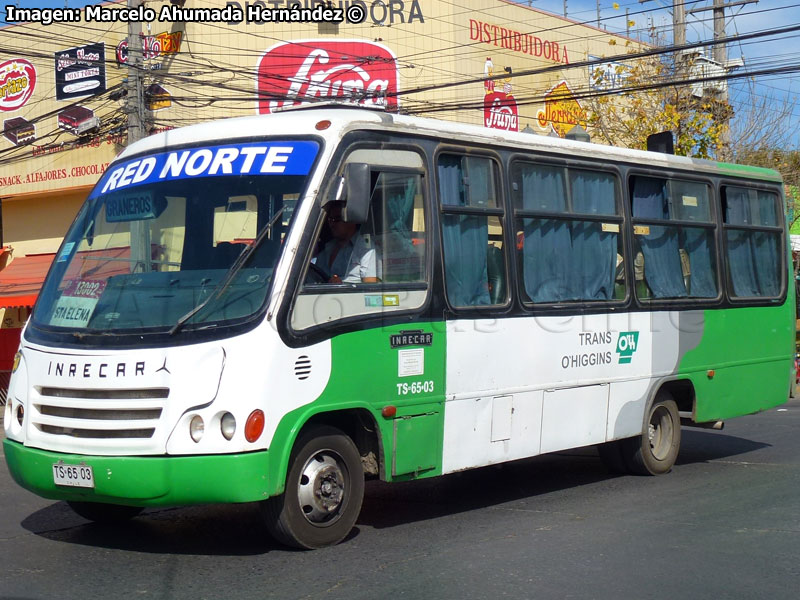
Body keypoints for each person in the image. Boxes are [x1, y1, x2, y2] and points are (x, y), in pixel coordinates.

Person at [314, 202, 378, 283]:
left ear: (352, 220)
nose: (332, 224)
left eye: (337, 219)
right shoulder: (328, 247)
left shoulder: (365, 248)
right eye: (330, 219)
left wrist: (342, 285)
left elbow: (370, 286)